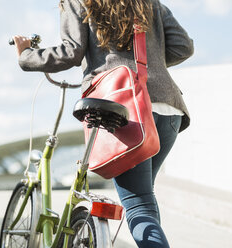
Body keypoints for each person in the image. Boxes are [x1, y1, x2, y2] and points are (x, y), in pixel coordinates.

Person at [13, 0, 193, 247]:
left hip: (123, 107)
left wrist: (26, 56)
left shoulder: (78, 1)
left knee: (138, 203)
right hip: (168, 108)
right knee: (143, 199)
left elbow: (71, 52)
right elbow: (183, 47)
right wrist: (149, 64)